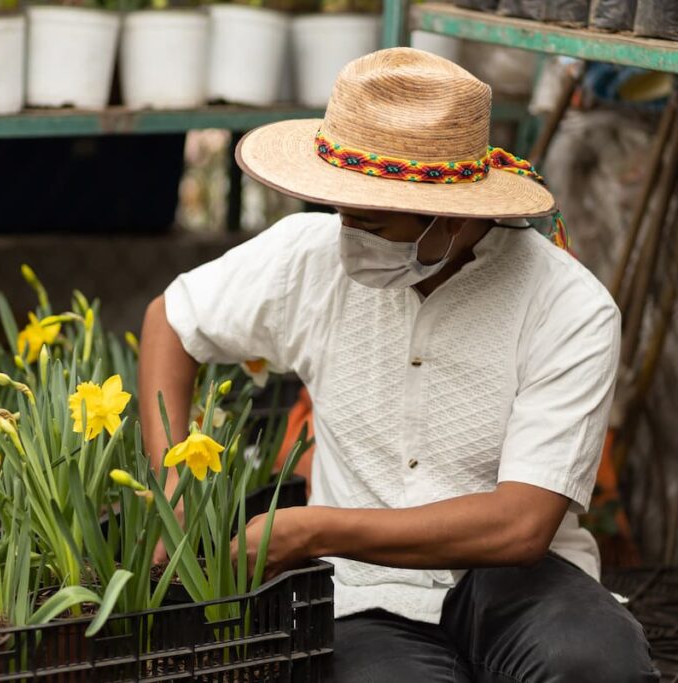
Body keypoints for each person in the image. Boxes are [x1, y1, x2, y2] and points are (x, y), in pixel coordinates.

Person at [138, 48, 659, 682]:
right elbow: (171, 320)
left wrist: (310, 531)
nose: (347, 235)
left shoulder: (566, 306)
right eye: (341, 212)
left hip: (520, 579)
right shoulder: (308, 257)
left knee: (594, 666)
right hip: (362, 589)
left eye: (371, 221)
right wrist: (173, 480)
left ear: (452, 215)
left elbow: (520, 527)